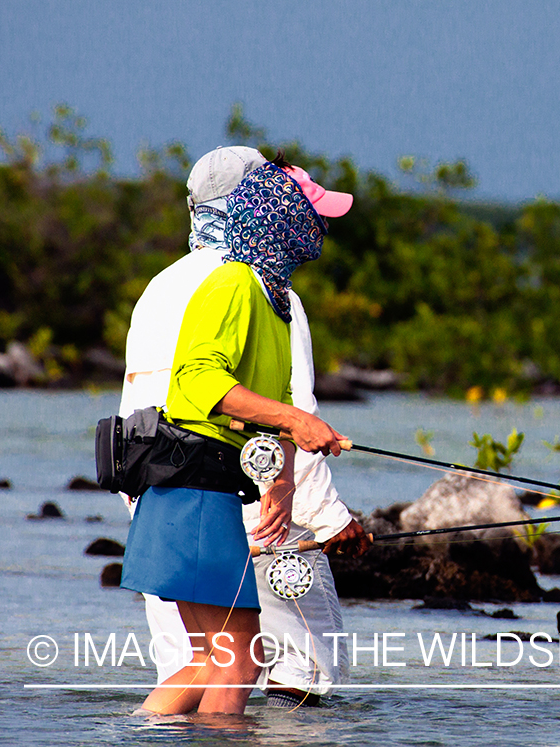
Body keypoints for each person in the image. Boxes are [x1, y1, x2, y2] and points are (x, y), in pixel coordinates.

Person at [119, 150, 368, 715]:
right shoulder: (257, 287)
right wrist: (328, 519)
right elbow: (288, 407)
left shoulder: (158, 287)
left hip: (152, 493)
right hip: (237, 497)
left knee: (199, 663)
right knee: (302, 669)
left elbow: (140, 401)